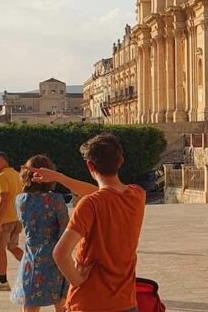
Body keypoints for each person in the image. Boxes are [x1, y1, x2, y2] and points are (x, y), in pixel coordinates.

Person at [49, 133, 146, 312]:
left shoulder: (90, 204)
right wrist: (59, 177)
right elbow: (103, 192)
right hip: (125, 302)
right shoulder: (137, 195)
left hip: (89, 302)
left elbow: (60, 253)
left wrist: (77, 279)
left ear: (90, 165)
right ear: (121, 160)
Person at [12, 155, 69, 312]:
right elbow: (65, 227)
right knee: (60, 300)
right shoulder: (56, 199)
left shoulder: (21, 200)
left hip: (31, 253)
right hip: (55, 252)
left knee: (30, 299)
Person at [0, 151, 24, 291]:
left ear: (3, 160)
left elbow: (3, 199)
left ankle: (3, 281)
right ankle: (34, 267)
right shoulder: (16, 175)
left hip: (5, 220)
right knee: (13, 247)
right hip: (16, 218)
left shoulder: (2, 177)